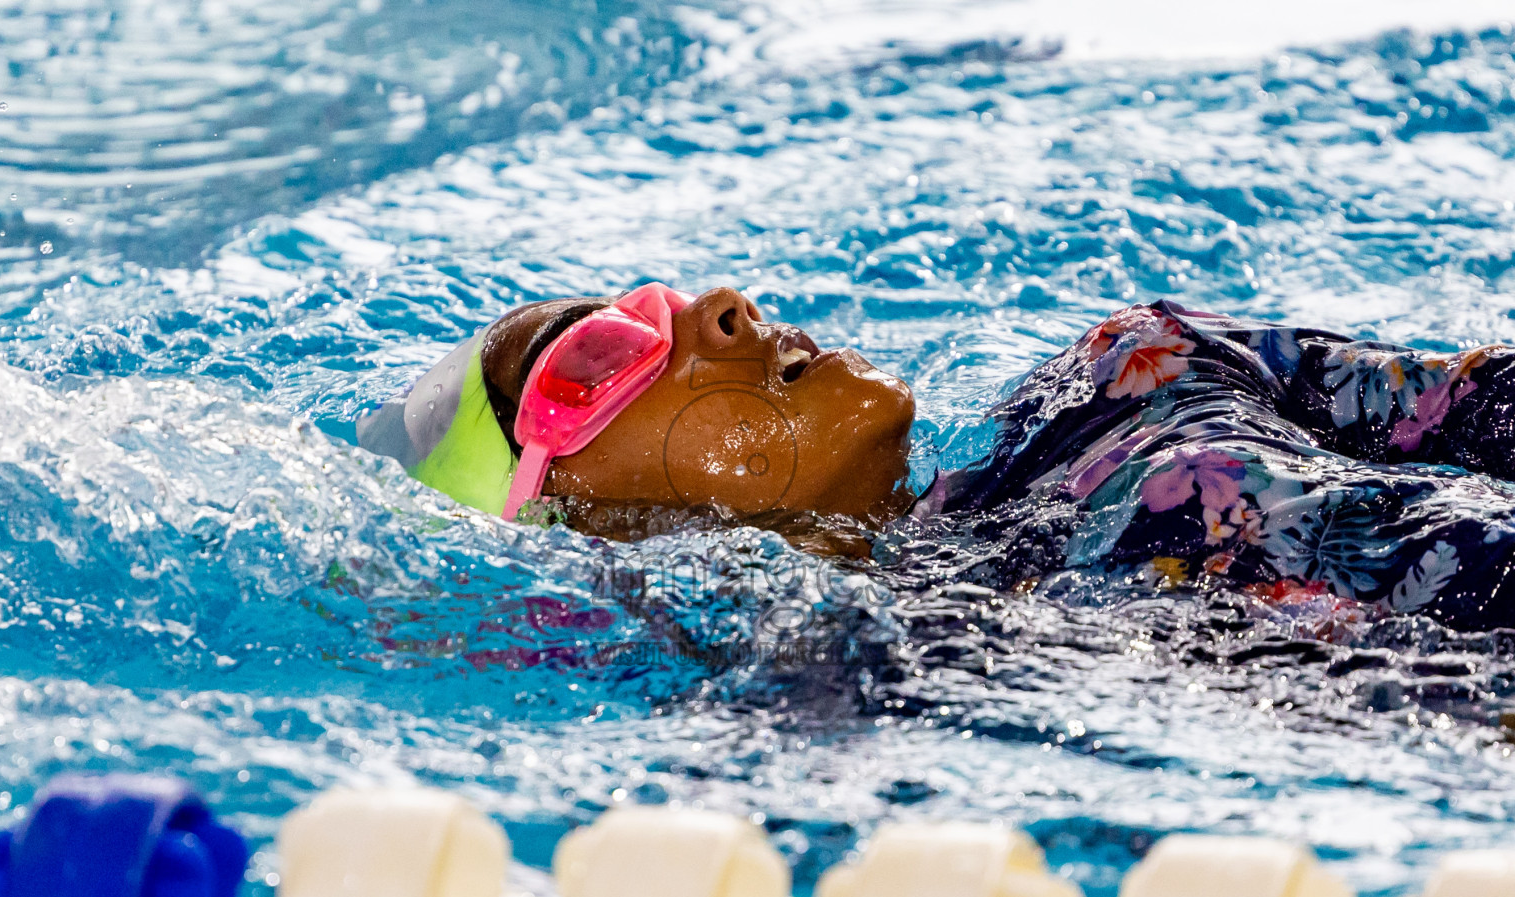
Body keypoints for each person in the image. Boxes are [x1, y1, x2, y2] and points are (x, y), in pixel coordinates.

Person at [357, 285, 1515, 631]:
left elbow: (1482, 400)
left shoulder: (1132, 371)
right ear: (577, 517)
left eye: (666, 295)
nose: (720, 308)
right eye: (604, 356)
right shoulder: (873, 688)